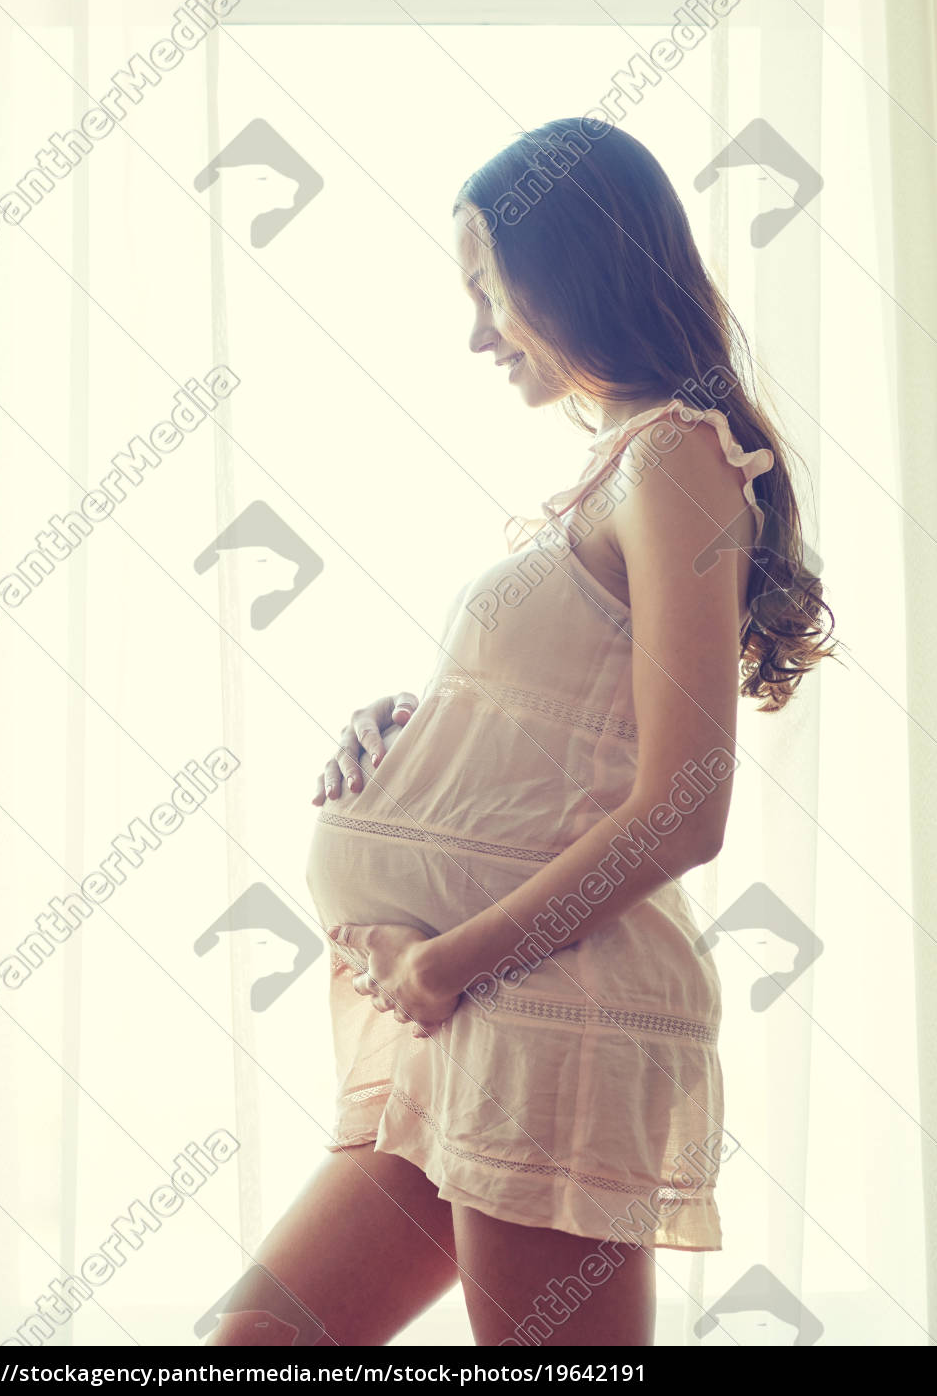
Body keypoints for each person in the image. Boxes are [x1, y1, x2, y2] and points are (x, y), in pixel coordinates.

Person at [208, 119, 836, 1348]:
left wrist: (450, 961)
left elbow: (684, 804)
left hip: (548, 1007)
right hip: (486, 1014)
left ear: (572, 272)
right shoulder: (613, 472)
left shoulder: (675, 465)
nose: (479, 332)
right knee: (256, 1344)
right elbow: (573, 728)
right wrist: (415, 726)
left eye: (488, 289)